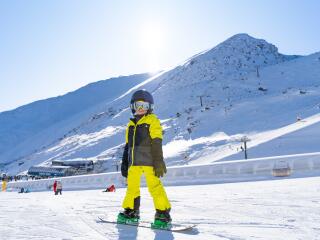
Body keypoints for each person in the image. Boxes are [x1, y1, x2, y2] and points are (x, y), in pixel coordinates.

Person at [117, 89, 171, 228]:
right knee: (132, 188)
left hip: (149, 162)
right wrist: (125, 164)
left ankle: (163, 214)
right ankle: (131, 212)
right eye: (138, 105)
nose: (141, 109)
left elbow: (157, 141)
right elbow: (127, 146)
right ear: (132, 107)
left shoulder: (152, 120)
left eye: (145, 106)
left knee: (155, 187)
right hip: (133, 164)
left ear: (150, 108)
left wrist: (158, 160)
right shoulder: (130, 125)